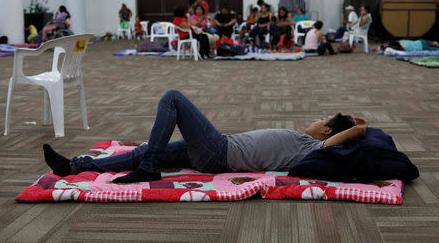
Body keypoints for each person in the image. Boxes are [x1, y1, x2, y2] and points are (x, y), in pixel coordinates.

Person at [43, 90, 365, 184]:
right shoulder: (305, 141)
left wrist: (361, 128)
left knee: (172, 98)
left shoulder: (314, 147)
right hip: (213, 152)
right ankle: (74, 166)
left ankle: (151, 165)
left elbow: (354, 132)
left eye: (322, 119)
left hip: (219, 152)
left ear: (326, 131)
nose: (316, 119)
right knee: (145, 151)